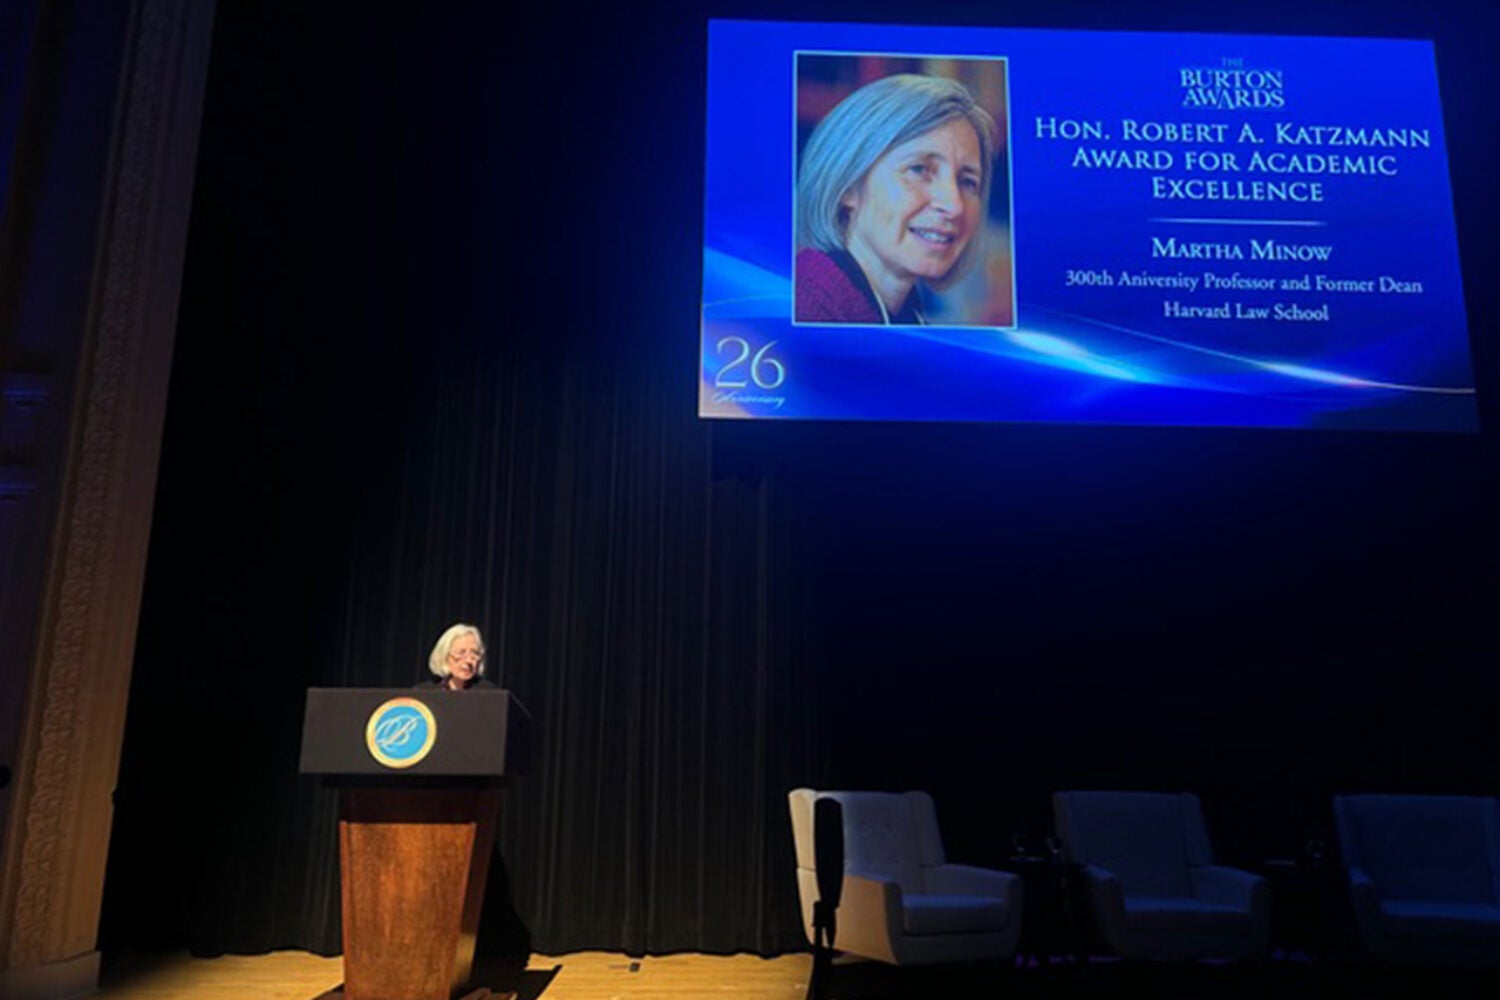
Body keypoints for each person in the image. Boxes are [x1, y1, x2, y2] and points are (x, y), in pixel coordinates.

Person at [795, 74, 997, 325]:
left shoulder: (904, 316)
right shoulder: (804, 304)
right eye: (919, 170)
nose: (954, 205)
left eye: (967, 182)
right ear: (849, 186)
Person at [425, 622, 497, 690]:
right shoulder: (424, 694)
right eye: (461, 652)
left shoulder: (490, 693)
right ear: (445, 655)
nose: (469, 660)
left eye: (475, 653)